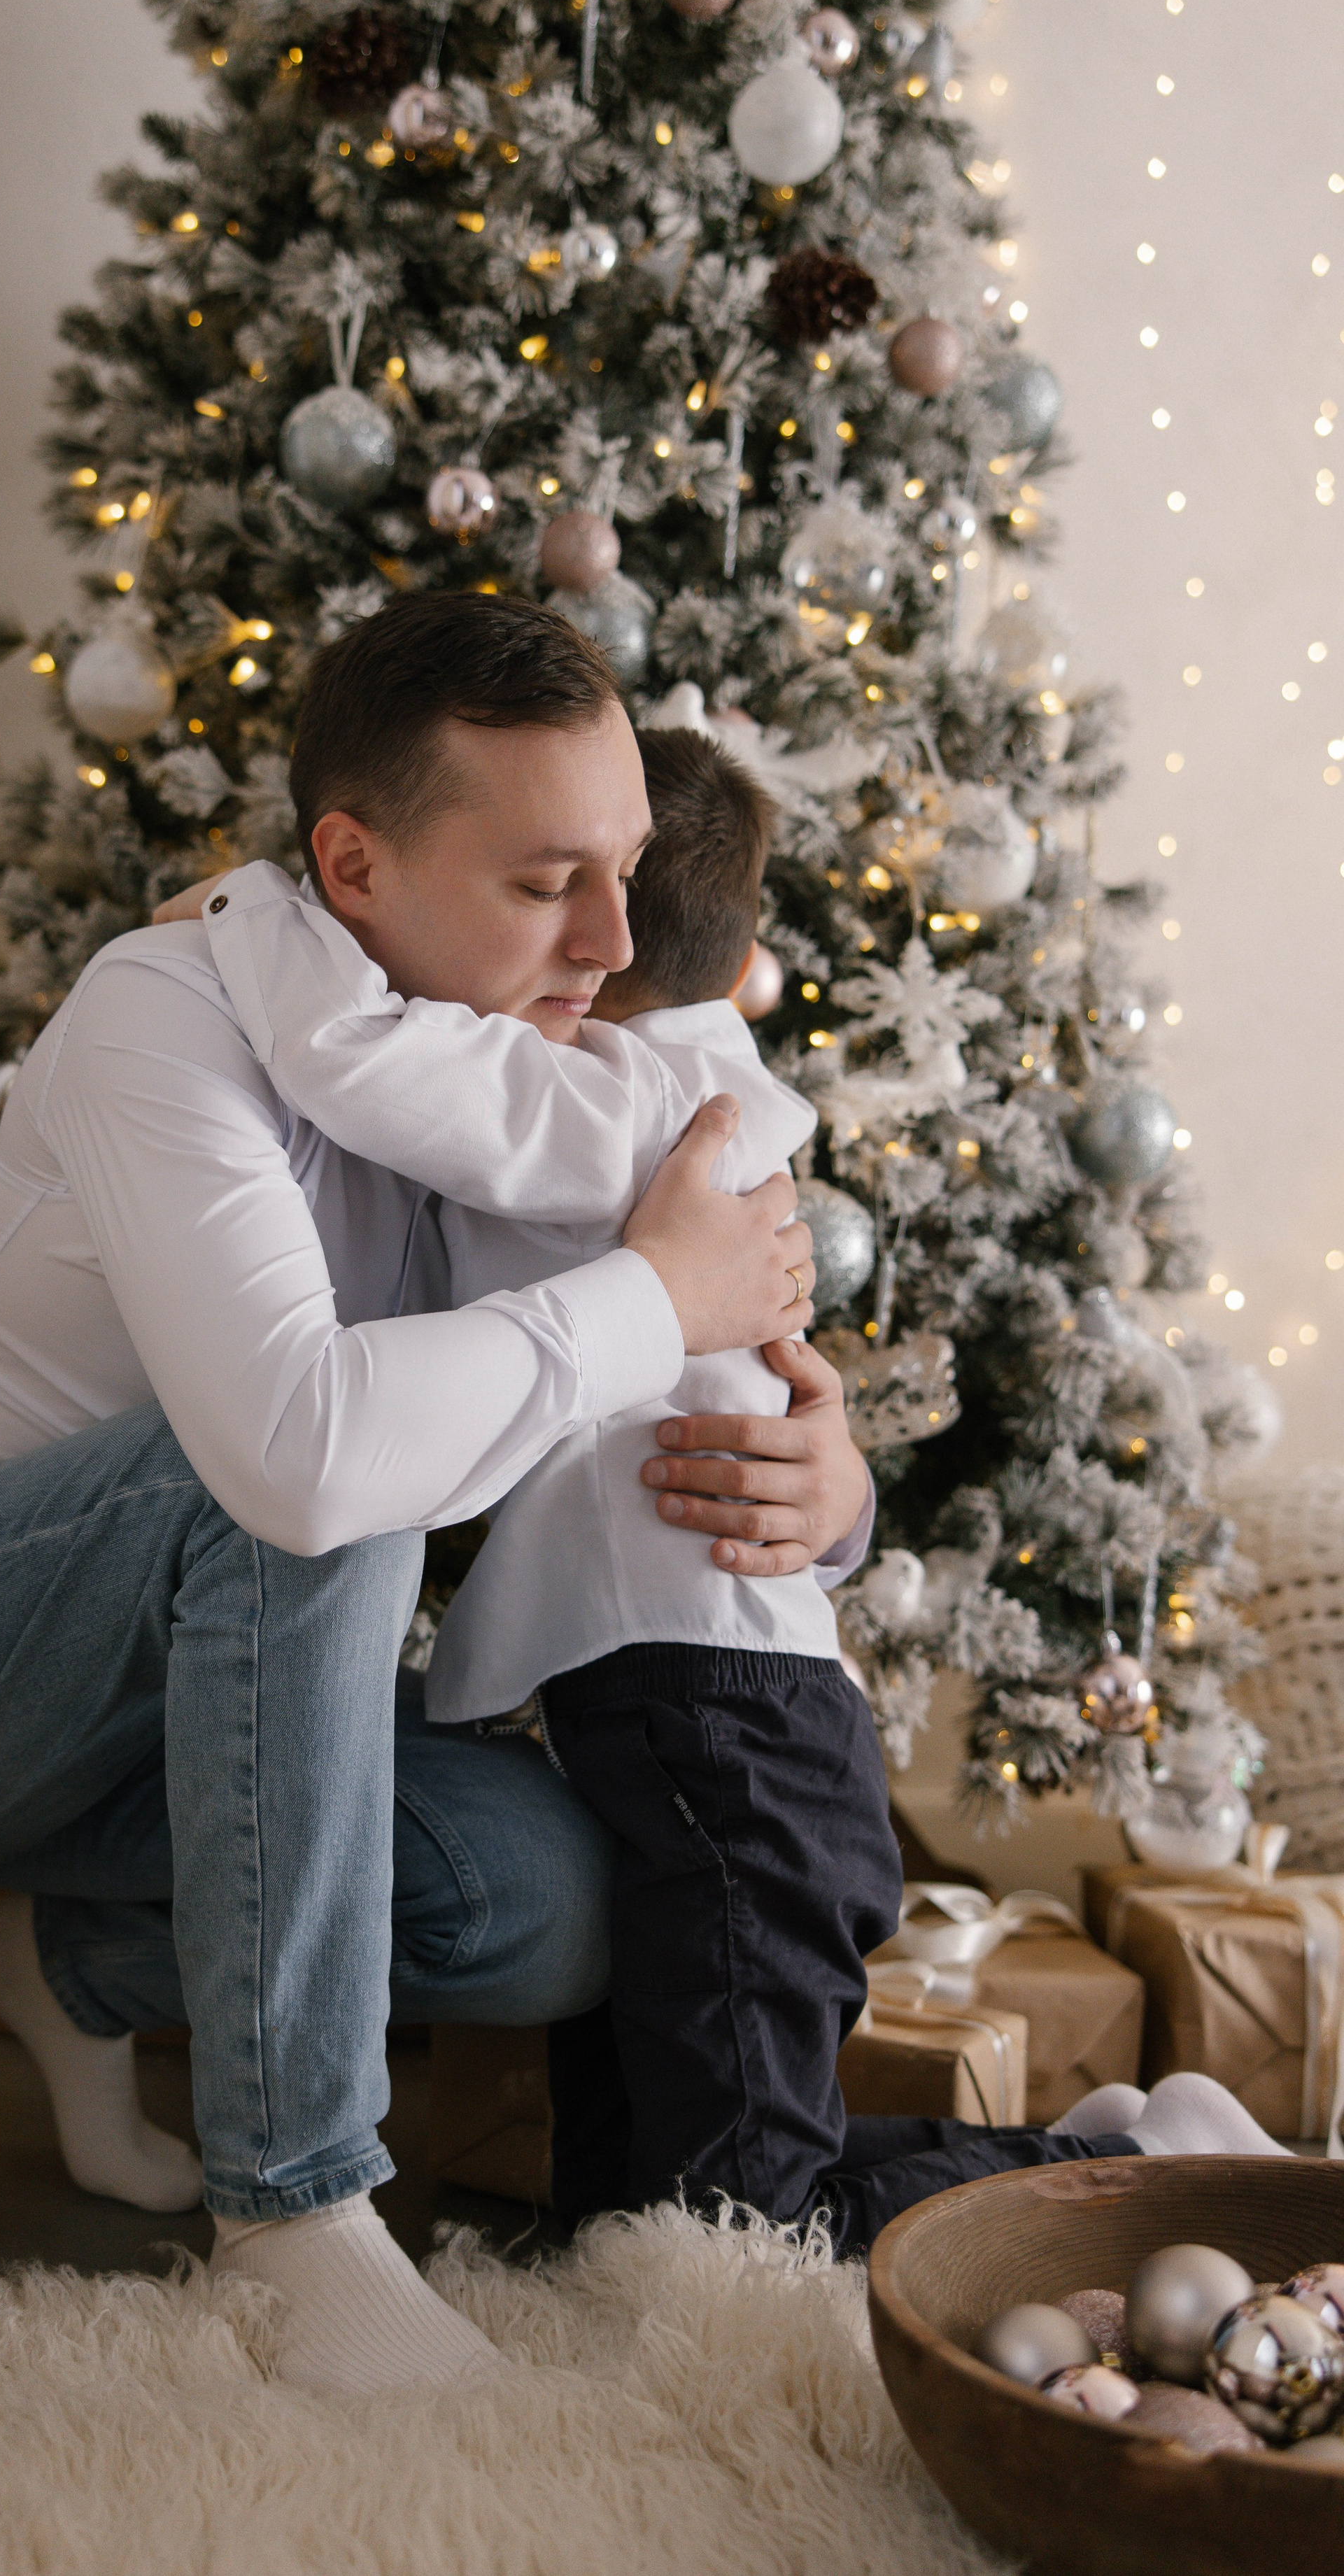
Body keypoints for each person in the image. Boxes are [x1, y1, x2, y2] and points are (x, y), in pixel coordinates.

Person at [0, 593, 872, 2397]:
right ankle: (296, 2219)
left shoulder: (531, 1077)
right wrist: (653, 1294)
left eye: (632, 868)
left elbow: (674, 1363)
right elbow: (302, 1453)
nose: (618, 938)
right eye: (546, 878)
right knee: (305, 1460)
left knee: (561, 1894)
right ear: (349, 863)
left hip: (187, 1694)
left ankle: (71, 1961)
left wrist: (828, 1477)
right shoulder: (162, 1009)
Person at [185, 721, 1296, 2253]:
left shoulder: (622, 1103)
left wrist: (251, 912)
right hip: (669, 1713)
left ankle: (1133, 2158)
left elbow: (361, 1063)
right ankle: (1067, 2152)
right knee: (626, 2212)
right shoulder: (674, 1084)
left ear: (602, 942)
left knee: (736, 2221)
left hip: (728, 1730)